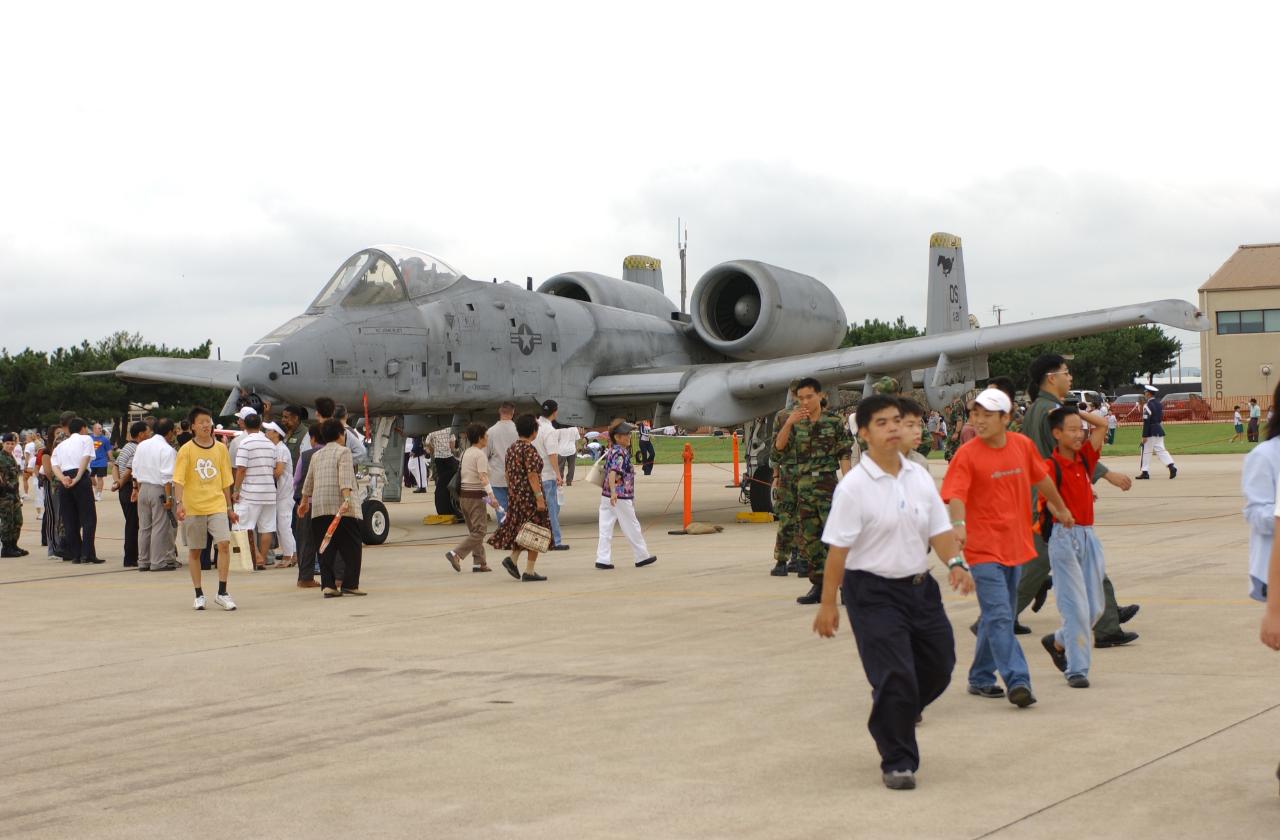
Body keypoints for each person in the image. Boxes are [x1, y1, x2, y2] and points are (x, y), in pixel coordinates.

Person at [813, 394, 973, 790]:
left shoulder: (918, 475)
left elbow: (938, 530)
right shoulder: (853, 488)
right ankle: (898, 760)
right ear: (864, 433)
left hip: (920, 587)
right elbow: (838, 550)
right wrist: (828, 602)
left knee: (940, 664)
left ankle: (892, 710)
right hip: (872, 593)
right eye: (881, 423)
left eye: (897, 421)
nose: (892, 429)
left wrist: (955, 564)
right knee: (896, 675)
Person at [941, 387, 1073, 708]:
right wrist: (958, 525)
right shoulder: (967, 454)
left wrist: (1058, 507)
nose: (979, 420)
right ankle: (1018, 680)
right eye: (976, 414)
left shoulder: (1021, 446)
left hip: (1015, 544)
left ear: (1006, 418)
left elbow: (1041, 478)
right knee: (1001, 616)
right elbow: (955, 494)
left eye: (988, 415)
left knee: (994, 615)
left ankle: (980, 676)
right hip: (982, 549)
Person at [1011, 358, 1139, 648]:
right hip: (1052, 505)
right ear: (1050, 377)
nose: (1070, 377)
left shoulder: (1037, 410)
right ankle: (1105, 625)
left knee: (1062, 564)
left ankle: (1107, 620)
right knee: (1043, 568)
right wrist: (1107, 475)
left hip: (1050, 499)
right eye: (1066, 373)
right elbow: (1071, 453)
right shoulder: (1049, 412)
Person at [1039, 406, 1127, 688]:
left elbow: (1101, 426)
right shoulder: (1049, 467)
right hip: (1064, 538)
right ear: (1056, 434)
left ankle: (1059, 640)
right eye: (1072, 429)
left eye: (1080, 429)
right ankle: (1077, 669)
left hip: (1089, 536)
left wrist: (1075, 411)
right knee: (1074, 607)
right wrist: (1061, 511)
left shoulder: (1085, 460)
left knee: (1095, 607)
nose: (1080, 434)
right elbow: (1048, 499)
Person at [773, 377, 854, 605]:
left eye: (810, 397)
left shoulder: (834, 421)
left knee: (835, 539)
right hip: (803, 486)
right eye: (801, 398)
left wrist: (848, 483)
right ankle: (819, 586)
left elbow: (844, 452)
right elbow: (779, 448)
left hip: (827, 485)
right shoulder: (794, 421)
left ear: (820, 396)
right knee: (810, 540)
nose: (806, 402)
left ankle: (846, 586)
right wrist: (789, 423)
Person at [173, 407, 238, 611]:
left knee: (224, 544)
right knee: (195, 551)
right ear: (192, 426)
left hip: (217, 503)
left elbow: (226, 480)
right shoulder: (186, 450)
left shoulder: (220, 449)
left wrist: (229, 507)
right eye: (201, 422)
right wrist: (179, 503)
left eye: (208, 421)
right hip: (194, 506)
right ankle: (199, 593)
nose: (206, 425)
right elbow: (178, 480)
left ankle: (222, 592)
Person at [298, 418, 365, 597]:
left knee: (325, 547)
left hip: (319, 507)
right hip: (340, 507)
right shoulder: (344, 452)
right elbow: (345, 477)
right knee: (352, 547)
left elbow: (309, 480)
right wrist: (347, 499)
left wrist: (304, 502)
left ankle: (328, 585)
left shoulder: (316, 455)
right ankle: (350, 584)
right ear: (340, 435)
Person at [488, 413, 551, 582]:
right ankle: (529, 571)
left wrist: (514, 492)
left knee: (523, 530)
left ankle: (513, 559)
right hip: (529, 497)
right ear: (534, 431)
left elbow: (507, 475)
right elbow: (532, 476)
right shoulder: (529, 450)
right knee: (535, 532)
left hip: (516, 497)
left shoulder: (512, 448)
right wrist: (539, 498)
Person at [595, 421, 657, 571]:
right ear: (617, 437)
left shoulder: (612, 450)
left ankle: (602, 558)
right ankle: (641, 556)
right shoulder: (620, 452)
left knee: (605, 527)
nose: (629, 437)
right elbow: (612, 472)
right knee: (632, 525)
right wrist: (614, 492)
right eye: (626, 435)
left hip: (606, 495)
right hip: (620, 495)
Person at [445, 423, 500, 573]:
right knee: (480, 532)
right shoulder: (480, 455)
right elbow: (482, 478)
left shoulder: (466, 453)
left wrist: (489, 501)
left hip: (464, 498)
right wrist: (492, 497)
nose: (488, 437)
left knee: (474, 531)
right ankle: (456, 554)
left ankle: (479, 562)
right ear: (480, 438)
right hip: (476, 498)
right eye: (486, 435)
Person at [232, 412, 281, 571]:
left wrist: (236, 490)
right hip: (269, 491)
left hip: (250, 492)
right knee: (266, 528)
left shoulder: (245, 443)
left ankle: (256, 557)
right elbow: (273, 466)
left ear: (245, 426)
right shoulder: (270, 444)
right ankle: (262, 559)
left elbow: (241, 469)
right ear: (260, 425)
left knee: (245, 527)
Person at [50, 418, 101, 564]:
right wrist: (78, 477)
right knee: (88, 518)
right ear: (83, 428)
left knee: (70, 519)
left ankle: (76, 554)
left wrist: (63, 478)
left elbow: (55, 465)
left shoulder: (61, 445)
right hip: (80, 477)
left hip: (64, 480)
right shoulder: (86, 439)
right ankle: (88, 554)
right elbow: (85, 459)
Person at [132, 418, 179, 572]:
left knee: (144, 527)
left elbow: (136, 469)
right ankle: (158, 561)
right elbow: (167, 477)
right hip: (159, 489)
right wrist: (169, 498)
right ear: (170, 432)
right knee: (160, 526)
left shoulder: (142, 445)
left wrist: (137, 489)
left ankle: (143, 560)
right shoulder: (167, 450)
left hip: (143, 487)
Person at [771, 381, 803, 577]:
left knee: (797, 519)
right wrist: (775, 474)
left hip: (799, 472)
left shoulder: (813, 415)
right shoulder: (783, 416)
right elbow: (776, 448)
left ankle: (794, 558)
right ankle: (786, 559)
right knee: (788, 518)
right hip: (789, 472)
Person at [111, 421, 149, 567]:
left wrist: (117, 482)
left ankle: (131, 556)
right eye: (148, 432)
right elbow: (130, 468)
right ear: (141, 434)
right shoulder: (138, 448)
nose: (149, 434)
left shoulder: (126, 447)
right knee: (134, 524)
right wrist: (121, 482)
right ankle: (131, 558)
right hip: (130, 487)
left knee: (131, 522)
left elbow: (115, 466)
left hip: (123, 488)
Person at [534, 400, 569, 551]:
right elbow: (552, 454)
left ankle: (540, 537)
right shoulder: (549, 430)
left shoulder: (535, 426)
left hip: (534, 474)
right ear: (555, 412)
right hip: (547, 474)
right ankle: (556, 540)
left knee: (539, 509)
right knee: (553, 509)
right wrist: (558, 474)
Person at [293, 422, 323, 588]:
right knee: (330, 542)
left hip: (306, 504)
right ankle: (336, 577)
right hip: (327, 505)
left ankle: (305, 578)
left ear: (312, 438)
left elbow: (296, 480)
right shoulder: (335, 454)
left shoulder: (305, 455)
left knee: (306, 542)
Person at [263, 422, 296, 568]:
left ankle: (288, 556)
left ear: (276, 433)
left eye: (269, 430)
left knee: (284, 525)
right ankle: (292, 554)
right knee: (282, 525)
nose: (266, 432)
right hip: (281, 494)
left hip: (285, 494)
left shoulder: (281, 449)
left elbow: (278, 471)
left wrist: (263, 475)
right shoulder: (275, 448)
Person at [485, 403, 517, 523]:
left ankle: (504, 535)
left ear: (500, 412)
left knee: (501, 511)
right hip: (516, 477)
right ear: (513, 413)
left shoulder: (491, 432)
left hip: (497, 477)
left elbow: (484, 456)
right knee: (516, 510)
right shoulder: (518, 430)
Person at [1137, 385, 1177, 480]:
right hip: (1159, 429)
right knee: (1161, 450)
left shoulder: (1147, 405)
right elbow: (1159, 418)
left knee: (1145, 451)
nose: (1145, 393)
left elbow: (1146, 421)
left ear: (1149, 393)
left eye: (1146, 392)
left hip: (1150, 431)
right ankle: (1171, 466)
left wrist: (1144, 435)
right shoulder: (1159, 404)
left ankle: (1145, 472)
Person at [426, 425, 462, 519]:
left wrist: (434, 450)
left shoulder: (432, 430)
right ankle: (453, 506)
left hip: (438, 460)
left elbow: (427, 442)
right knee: (453, 481)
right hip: (449, 458)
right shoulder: (449, 429)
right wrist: (451, 450)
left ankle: (442, 507)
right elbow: (452, 445)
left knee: (442, 481)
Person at [0, 433, 27, 557]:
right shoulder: (1, 457)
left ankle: (13, 545)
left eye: (12, 443)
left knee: (17, 520)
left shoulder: (11, 457)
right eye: (7, 444)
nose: (10, 446)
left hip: (14, 495)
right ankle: (6, 548)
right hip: (4, 495)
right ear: (3, 444)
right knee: (7, 521)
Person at [89, 422, 111, 501]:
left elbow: (109, 450)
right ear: (94, 429)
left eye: (101, 428)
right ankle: (95, 488)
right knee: (91, 477)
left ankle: (98, 494)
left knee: (100, 478)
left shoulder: (105, 439)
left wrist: (111, 459)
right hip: (91, 462)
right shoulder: (89, 438)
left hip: (101, 462)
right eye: (99, 428)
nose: (100, 429)